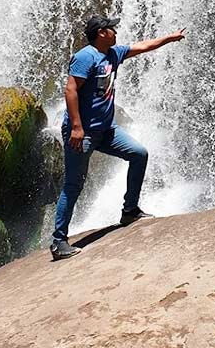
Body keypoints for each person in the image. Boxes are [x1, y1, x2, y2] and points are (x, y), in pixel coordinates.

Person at [50, 14, 186, 260]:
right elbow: (70, 90)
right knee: (73, 185)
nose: (115, 31)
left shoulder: (113, 54)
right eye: (111, 28)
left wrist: (170, 38)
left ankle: (130, 210)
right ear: (101, 33)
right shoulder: (85, 57)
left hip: (106, 130)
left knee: (139, 154)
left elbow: (144, 46)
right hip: (83, 133)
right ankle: (59, 241)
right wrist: (77, 128)